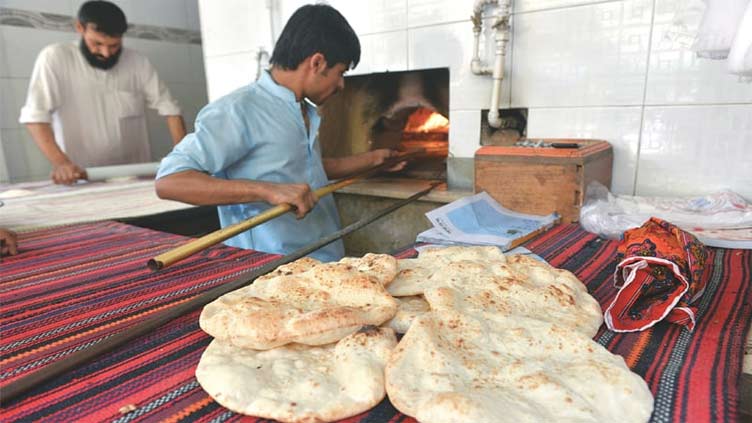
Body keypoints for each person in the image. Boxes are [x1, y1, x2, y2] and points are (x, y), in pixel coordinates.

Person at [155, 4, 404, 262]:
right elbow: (170, 182)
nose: (341, 85)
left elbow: (303, 169)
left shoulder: (302, 110)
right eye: (340, 73)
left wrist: (374, 160)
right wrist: (267, 190)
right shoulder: (237, 110)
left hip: (324, 258)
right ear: (317, 62)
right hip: (270, 269)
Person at [19, 0, 186, 185]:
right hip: (82, 178)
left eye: (114, 45)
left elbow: (171, 110)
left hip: (138, 178)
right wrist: (62, 163)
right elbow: (35, 118)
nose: (106, 53)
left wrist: (184, 158)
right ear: (79, 28)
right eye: (97, 43)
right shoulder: (55, 58)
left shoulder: (138, 62)